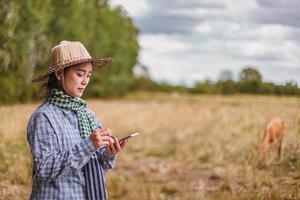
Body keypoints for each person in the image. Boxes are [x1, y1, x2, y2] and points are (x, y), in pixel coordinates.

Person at [27, 41, 127, 200]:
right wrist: (89, 145)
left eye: (88, 75)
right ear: (59, 73)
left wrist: (108, 153)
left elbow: (96, 166)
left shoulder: (88, 115)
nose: (85, 81)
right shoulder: (44, 117)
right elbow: (45, 169)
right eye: (80, 74)